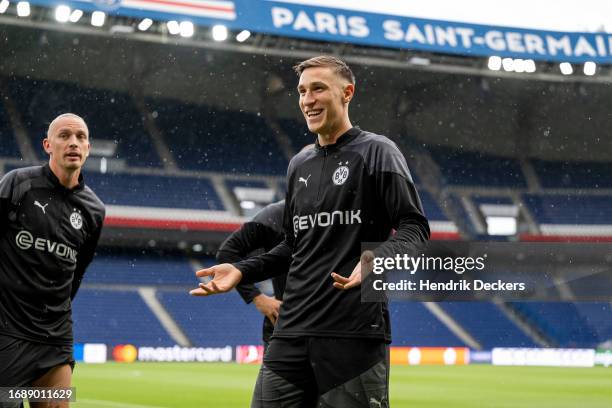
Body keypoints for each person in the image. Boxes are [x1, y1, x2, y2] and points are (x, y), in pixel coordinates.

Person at [190, 56, 430, 407]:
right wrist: (243, 269)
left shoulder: (378, 152)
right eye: (302, 91)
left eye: (318, 88)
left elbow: (415, 226)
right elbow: (294, 246)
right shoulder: (299, 163)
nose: (307, 99)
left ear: (347, 93)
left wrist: (378, 260)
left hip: (352, 334)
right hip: (290, 333)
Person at [0, 113, 105, 407]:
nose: (73, 142)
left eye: (80, 137)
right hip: (8, 334)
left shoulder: (94, 210)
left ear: (88, 147)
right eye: (64, 135)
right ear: (48, 144)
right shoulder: (18, 184)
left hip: (55, 340)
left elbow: (76, 274)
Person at [216, 200, 286, 347]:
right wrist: (256, 297)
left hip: (330, 321)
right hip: (285, 319)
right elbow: (227, 252)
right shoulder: (275, 215)